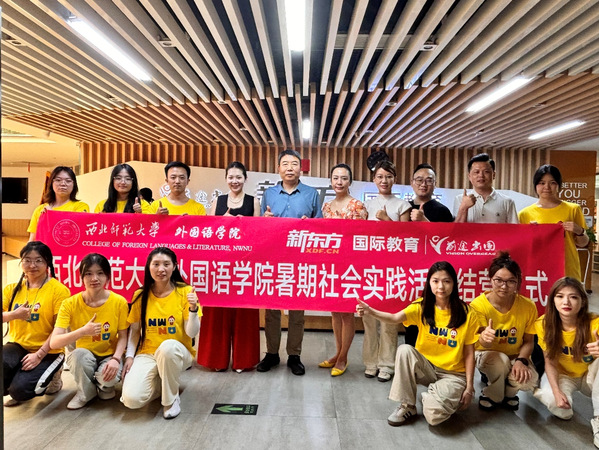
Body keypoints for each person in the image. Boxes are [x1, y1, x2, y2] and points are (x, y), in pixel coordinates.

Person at [356, 261, 480, 426]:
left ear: (454, 284)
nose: (441, 286)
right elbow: (394, 318)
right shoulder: (422, 306)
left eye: (446, 281)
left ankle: (433, 397)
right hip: (427, 368)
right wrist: (370, 311)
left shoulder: (468, 313)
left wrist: (469, 387)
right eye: (435, 281)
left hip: (453, 374)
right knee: (405, 350)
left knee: (434, 417)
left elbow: (470, 353)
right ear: (429, 283)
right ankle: (407, 405)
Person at [258, 149, 323, 376]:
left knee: (297, 312)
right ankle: (272, 354)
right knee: (271, 311)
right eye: (285, 163)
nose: (289, 168)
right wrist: (264, 220)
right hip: (274, 259)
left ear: (300, 169)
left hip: (300, 260)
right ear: (278, 168)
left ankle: (294, 355)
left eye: (294, 163)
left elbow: (320, 226)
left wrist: (310, 225)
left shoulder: (311, 194)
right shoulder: (269, 194)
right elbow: (260, 226)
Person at [121, 247, 201, 419]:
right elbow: (134, 331)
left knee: (167, 348)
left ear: (174, 266)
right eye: (156, 264)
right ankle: (164, 383)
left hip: (177, 352)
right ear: (149, 267)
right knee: (132, 400)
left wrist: (193, 309)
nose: (161, 269)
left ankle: (171, 400)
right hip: (147, 353)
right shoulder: (140, 295)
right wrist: (129, 356)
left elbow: (191, 332)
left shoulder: (185, 292)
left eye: (166, 264)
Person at [197, 162, 260, 372]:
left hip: (244, 267)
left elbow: (259, 235)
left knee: (244, 316)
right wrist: (222, 222)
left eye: (239, 177)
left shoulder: (253, 201)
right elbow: (209, 234)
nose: (235, 181)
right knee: (218, 314)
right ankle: (216, 360)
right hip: (220, 266)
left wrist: (246, 225)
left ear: (245, 179)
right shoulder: (218, 201)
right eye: (231, 177)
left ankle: (243, 360)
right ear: (226, 179)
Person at [50, 253, 128, 410]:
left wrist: (116, 359)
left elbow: (123, 336)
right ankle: (85, 393)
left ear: (108, 277)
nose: (94, 278)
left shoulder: (119, 302)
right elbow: (54, 342)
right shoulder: (69, 304)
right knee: (78, 356)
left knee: (109, 381)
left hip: (109, 355)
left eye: (100, 273)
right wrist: (83, 331)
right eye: (89, 274)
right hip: (84, 355)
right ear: (81, 277)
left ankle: (104, 386)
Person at [533, 277, 599, 448]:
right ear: (552, 300)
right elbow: (549, 361)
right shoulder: (543, 324)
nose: (566, 302)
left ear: (582, 301)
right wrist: (556, 392)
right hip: (563, 375)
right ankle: (544, 392)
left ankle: (598, 419)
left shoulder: (595, 323)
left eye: (573, 297)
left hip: (590, 377)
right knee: (562, 410)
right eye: (560, 296)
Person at [3, 241, 70, 407]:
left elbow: (59, 330)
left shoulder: (59, 291)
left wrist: (39, 355)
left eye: (38, 260)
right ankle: (17, 375)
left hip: (50, 350)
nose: (32, 265)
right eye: (27, 260)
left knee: (20, 391)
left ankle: (54, 376)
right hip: (18, 345)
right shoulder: (12, 289)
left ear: (47, 263)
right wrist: (13, 315)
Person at [470, 252, 538, 411]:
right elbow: (477, 343)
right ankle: (492, 394)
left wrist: (521, 360)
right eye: (498, 280)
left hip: (514, 356)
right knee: (500, 362)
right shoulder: (478, 306)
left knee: (529, 379)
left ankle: (509, 391)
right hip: (486, 354)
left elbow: (529, 342)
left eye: (511, 281)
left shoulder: (528, 306)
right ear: (490, 279)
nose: (504, 286)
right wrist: (484, 338)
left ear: (518, 282)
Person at [362, 160, 410, 382]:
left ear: (395, 179)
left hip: (393, 270)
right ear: (374, 180)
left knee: (389, 321)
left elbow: (406, 239)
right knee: (369, 319)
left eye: (388, 176)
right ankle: (370, 362)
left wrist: (386, 220)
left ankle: (387, 365)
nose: (384, 180)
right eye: (380, 177)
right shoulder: (366, 205)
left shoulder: (403, 205)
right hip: (369, 269)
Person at [319, 163, 367, 376]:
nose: (339, 182)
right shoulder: (326, 206)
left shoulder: (357, 206)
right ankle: (337, 352)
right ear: (331, 181)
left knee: (347, 313)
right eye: (336, 178)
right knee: (334, 311)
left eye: (344, 178)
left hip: (350, 266)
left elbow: (361, 238)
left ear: (350, 182)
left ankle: (344, 357)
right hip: (331, 265)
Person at [404, 163, 453, 347]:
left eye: (428, 180)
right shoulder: (404, 208)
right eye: (419, 180)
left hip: (433, 272)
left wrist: (424, 221)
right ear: (412, 183)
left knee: (432, 313)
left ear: (435, 184)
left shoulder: (442, 211)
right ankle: (411, 352)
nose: (423, 184)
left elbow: (448, 242)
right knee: (412, 313)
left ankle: (433, 353)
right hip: (409, 271)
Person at [519, 164, 588, 281]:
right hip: (538, 271)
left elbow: (583, 243)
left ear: (559, 185)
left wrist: (579, 231)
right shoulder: (524, 214)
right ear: (535, 185)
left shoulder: (573, 209)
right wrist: (529, 233)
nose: (547, 187)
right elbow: (521, 247)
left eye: (552, 183)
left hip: (567, 269)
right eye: (542, 183)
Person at [28, 166, 89, 241]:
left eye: (68, 181)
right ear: (51, 183)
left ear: (74, 185)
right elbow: (32, 240)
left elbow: (76, 233)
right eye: (58, 180)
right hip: (44, 248)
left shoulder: (81, 207)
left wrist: (51, 215)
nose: (63, 184)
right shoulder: (40, 209)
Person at [453, 153, 518, 223]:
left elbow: (514, 228)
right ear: (469, 176)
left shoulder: (507, 202)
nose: (481, 175)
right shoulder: (460, 199)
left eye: (486, 172)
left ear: (493, 175)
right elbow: (456, 229)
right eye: (476, 172)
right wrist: (464, 207)